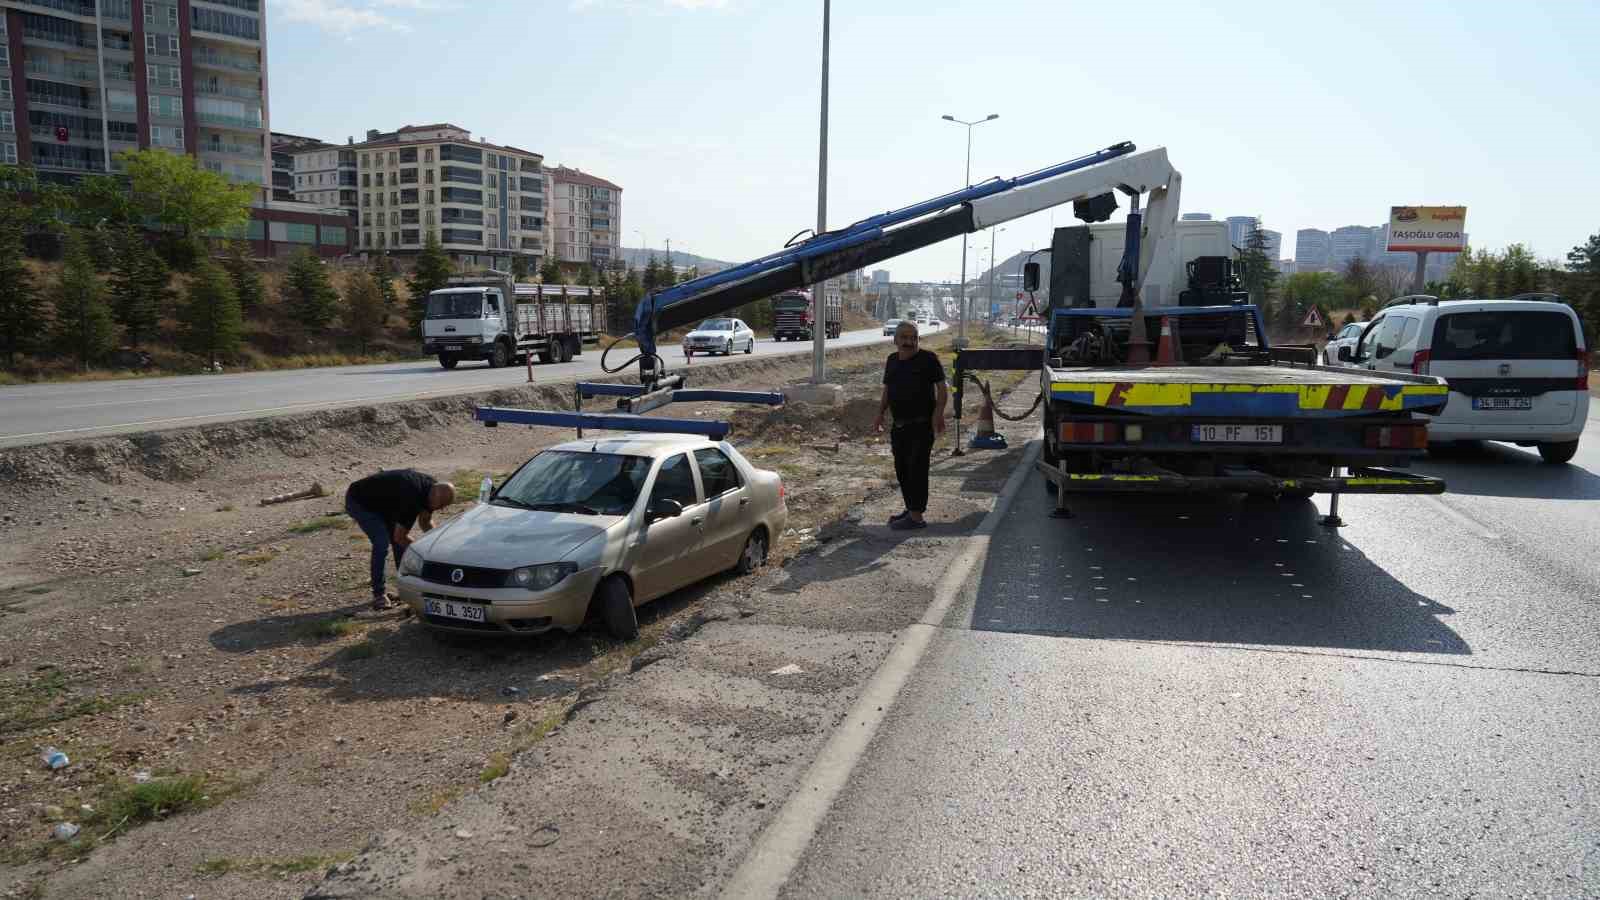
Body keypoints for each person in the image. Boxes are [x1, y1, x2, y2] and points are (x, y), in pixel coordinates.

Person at [872, 321, 948, 530]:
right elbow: (887, 390)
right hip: (899, 426)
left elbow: (942, 389)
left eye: (913, 337)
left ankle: (916, 517)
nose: (909, 342)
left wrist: (938, 415)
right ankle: (910, 508)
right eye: (904, 337)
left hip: (922, 425)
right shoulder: (892, 360)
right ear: (895, 340)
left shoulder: (929, 359)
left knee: (917, 469)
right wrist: (880, 413)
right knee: (902, 469)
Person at [344, 469, 455, 610]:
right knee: (381, 542)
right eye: (440, 506)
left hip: (386, 505)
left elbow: (425, 521)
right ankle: (379, 595)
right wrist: (422, 553)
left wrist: (438, 545)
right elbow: (401, 537)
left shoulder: (432, 488)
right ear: (434, 496)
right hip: (360, 501)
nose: (441, 509)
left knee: (399, 544)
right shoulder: (412, 498)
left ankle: (405, 589)